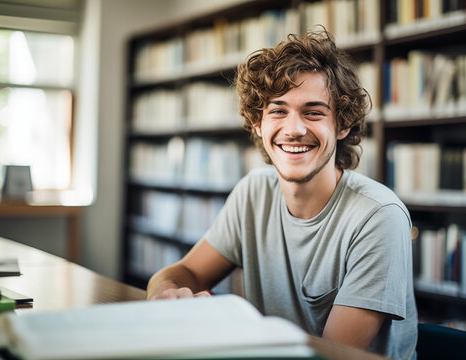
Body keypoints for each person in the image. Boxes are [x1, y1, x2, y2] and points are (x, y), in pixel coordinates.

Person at [146, 29, 418, 359]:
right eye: (278, 110)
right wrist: (169, 297)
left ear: (343, 125)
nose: (294, 129)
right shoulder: (253, 192)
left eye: (314, 112)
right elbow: (180, 273)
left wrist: (219, 327)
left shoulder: (378, 216)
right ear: (258, 123)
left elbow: (330, 354)